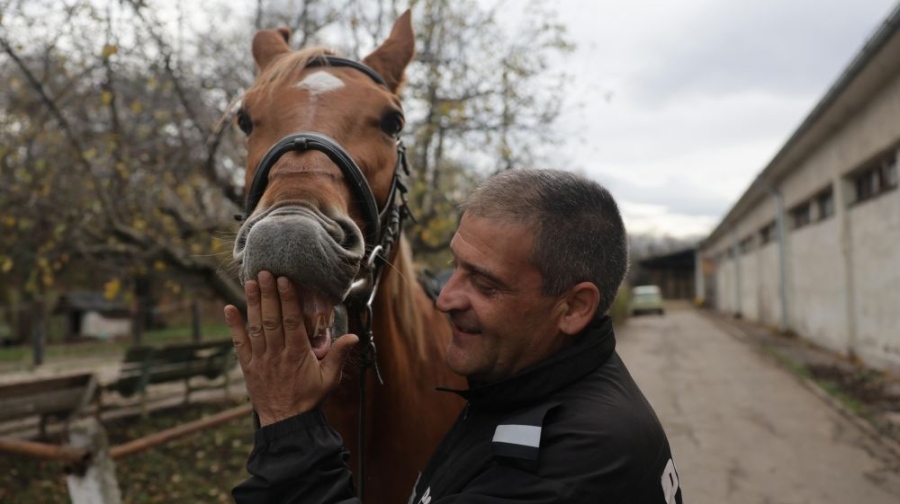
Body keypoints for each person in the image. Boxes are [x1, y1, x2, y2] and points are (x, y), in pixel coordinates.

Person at [225, 168, 683, 503]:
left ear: (574, 307)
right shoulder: (519, 386)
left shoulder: (581, 459)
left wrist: (289, 425)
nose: (444, 299)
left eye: (485, 285)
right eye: (456, 267)